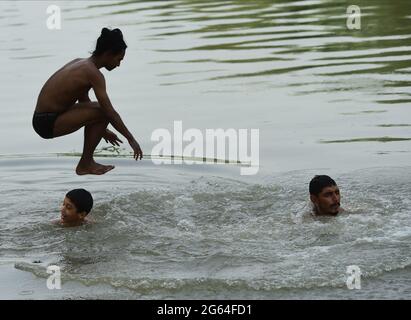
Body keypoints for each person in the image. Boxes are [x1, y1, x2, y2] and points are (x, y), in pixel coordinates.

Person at [32, 27, 143, 175]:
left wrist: (103, 130)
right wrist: (131, 139)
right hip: (46, 122)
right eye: (119, 59)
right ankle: (85, 163)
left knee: (100, 111)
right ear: (109, 54)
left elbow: (84, 101)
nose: (118, 64)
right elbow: (109, 111)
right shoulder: (94, 74)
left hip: (43, 119)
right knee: (104, 111)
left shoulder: (81, 63)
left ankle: (86, 162)